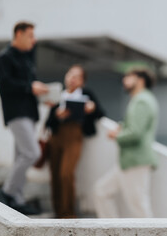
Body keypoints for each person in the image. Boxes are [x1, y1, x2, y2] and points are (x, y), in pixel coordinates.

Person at [0, 21, 49, 214]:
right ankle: (6, 192)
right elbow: (6, 84)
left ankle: (16, 199)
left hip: (29, 113)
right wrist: (30, 87)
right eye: (30, 36)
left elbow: (26, 86)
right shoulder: (4, 58)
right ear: (19, 34)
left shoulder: (26, 59)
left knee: (21, 155)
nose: (33, 41)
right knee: (32, 153)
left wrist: (41, 95)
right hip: (17, 113)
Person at [93, 69, 159, 218]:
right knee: (101, 191)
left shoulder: (142, 100)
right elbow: (136, 126)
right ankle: (111, 231)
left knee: (139, 207)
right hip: (128, 161)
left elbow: (136, 133)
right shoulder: (142, 99)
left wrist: (117, 135)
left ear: (140, 80)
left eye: (129, 77)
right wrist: (122, 126)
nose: (124, 80)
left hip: (135, 160)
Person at [45, 64, 105, 218]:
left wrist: (91, 108)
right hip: (57, 136)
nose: (72, 79)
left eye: (77, 76)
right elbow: (49, 122)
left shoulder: (86, 94)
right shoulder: (59, 95)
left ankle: (68, 213)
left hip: (74, 136)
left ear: (82, 81)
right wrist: (57, 115)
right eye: (70, 74)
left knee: (66, 173)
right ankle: (58, 210)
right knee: (55, 174)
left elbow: (100, 112)